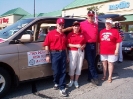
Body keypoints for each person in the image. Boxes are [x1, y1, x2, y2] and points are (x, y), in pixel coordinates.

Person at [43, 18, 68, 97]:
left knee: (63, 71)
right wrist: (47, 55)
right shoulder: (51, 33)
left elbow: (65, 47)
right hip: (54, 54)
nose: (61, 25)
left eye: (62, 24)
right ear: (56, 25)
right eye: (60, 24)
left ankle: (62, 88)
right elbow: (46, 44)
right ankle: (56, 82)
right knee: (56, 71)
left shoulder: (64, 35)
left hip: (63, 53)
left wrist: (67, 56)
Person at [98, 18, 121, 83]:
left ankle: (110, 76)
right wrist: (98, 49)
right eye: (106, 23)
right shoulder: (102, 31)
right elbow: (99, 41)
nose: (108, 24)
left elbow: (118, 41)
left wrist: (117, 50)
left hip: (112, 51)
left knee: (110, 63)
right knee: (104, 63)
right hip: (103, 50)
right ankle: (104, 75)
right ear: (105, 24)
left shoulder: (115, 31)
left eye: (109, 23)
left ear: (111, 24)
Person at [80, 10, 99, 85]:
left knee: (92, 62)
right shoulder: (82, 24)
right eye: (89, 15)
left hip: (94, 45)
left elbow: (97, 37)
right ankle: (95, 77)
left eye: (92, 15)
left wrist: (97, 48)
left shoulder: (95, 25)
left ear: (93, 16)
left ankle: (89, 77)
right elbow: (74, 29)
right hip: (86, 45)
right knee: (91, 63)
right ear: (87, 16)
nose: (91, 17)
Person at [67, 21, 86, 88]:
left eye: (77, 26)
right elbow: (67, 44)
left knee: (79, 66)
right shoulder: (70, 34)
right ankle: (71, 80)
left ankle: (76, 81)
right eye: (75, 26)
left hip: (81, 51)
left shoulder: (82, 34)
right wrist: (76, 45)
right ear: (73, 27)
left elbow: (84, 43)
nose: (76, 27)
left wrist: (83, 45)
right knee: (72, 67)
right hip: (72, 52)